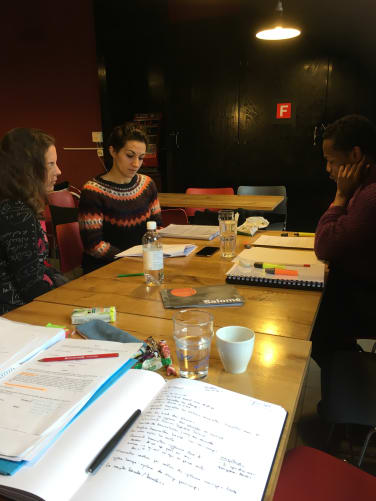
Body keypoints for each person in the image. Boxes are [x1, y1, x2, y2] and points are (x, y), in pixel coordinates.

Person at [311, 114, 376, 368]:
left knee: (314, 326)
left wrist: (339, 195)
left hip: (366, 296)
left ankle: (345, 381)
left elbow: (324, 244)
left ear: (355, 155)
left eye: (331, 161)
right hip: (361, 286)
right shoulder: (363, 187)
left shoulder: (370, 196)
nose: (328, 169)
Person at [78, 124, 161, 274]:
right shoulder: (93, 192)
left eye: (141, 158)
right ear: (113, 151)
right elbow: (94, 245)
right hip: (104, 270)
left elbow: (157, 228)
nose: (136, 164)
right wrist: (129, 259)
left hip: (141, 265)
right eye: (129, 155)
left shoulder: (147, 184)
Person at [0, 127, 65, 314]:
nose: (58, 171)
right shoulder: (17, 214)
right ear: (28, 169)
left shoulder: (15, 205)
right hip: (16, 319)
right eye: (51, 164)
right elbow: (31, 287)